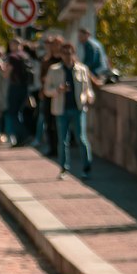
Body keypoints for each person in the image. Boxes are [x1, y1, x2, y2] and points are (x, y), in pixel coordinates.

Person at [44, 41, 94, 177]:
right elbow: (47, 90)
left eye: (69, 53)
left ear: (73, 54)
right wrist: (58, 90)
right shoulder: (54, 70)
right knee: (63, 140)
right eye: (64, 53)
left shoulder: (82, 69)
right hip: (61, 109)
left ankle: (86, 168)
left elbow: (88, 89)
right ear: (60, 54)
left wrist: (88, 97)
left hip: (78, 108)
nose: (67, 56)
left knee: (81, 139)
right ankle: (64, 168)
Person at [3, 39, 31, 146]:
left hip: (15, 87)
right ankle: (20, 140)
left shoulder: (12, 57)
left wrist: (1, 66)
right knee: (19, 112)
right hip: (25, 87)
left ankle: (24, 135)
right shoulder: (25, 56)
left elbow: (6, 74)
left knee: (12, 114)